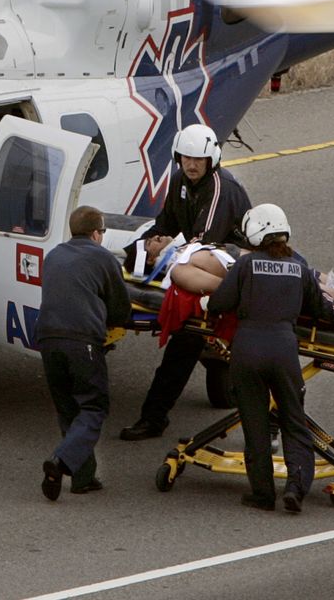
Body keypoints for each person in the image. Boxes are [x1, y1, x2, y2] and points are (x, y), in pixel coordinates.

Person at [208, 204, 334, 512]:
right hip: (283, 350)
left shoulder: (246, 265)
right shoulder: (299, 267)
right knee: (293, 420)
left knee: (255, 424)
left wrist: (209, 302)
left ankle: (261, 494)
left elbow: (220, 302)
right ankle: (295, 489)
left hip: (247, 350)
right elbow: (321, 307)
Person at [118, 123, 253, 441]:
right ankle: (220, 367)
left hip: (225, 268)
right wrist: (144, 247)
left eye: (198, 160)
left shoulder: (221, 189)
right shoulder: (180, 180)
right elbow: (163, 225)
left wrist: (160, 252)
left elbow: (198, 248)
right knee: (196, 339)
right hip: (198, 262)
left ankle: (153, 417)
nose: (191, 165)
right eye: (186, 158)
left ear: (212, 161)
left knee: (185, 340)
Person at [37, 204, 131, 501]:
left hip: (48, 339)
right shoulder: (103, 258)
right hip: (82, 341)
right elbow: (120, 309)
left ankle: (83, 477)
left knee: (68, 409)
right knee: (93, 407)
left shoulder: (53, 256)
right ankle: (61, 461)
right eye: (102, 232)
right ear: (95, 233)